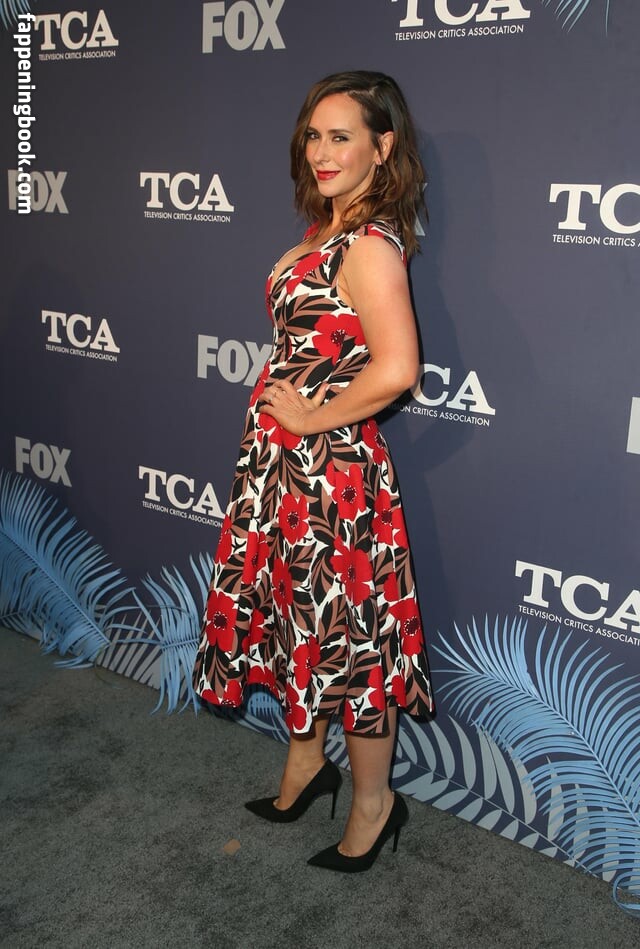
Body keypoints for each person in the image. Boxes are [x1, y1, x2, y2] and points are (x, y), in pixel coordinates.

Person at [192, 70, 434, 873]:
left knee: (351, 640)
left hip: (332, 478)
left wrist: (309, 419)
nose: (322, 152)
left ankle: (374, 802)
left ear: (382, 147)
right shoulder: (326, 230)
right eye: (313, 136)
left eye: (342, 137)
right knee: (304, 622)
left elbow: (398, 368)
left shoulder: (368, 246)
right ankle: (306, 761)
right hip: (282, 474)